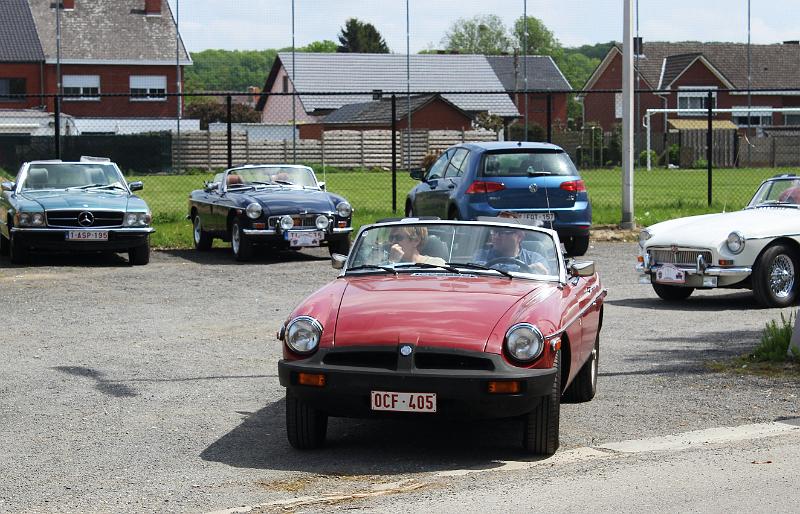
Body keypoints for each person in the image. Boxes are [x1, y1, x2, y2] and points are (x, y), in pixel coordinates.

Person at [474, 227, 551, 274]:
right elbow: (478, 268)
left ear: (519, 236)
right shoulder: (482, 254)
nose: (496, 236)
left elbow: (545, 277)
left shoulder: (535, 258)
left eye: (502, 232)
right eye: (494, 232)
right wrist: (520, 270)